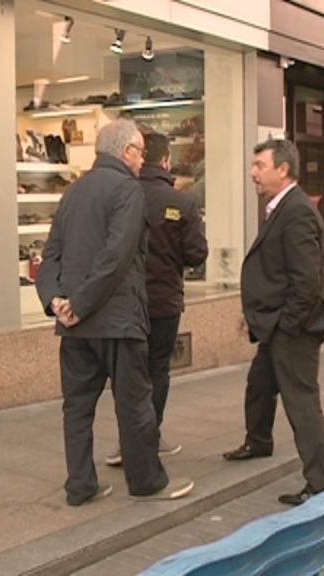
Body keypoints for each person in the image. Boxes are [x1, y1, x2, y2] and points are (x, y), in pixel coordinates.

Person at [35, 119, 194, 506]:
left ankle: (81, 486)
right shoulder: (127, 189)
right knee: (135, 404)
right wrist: (78, 304)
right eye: (140, 151)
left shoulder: (73, 192)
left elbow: (50, 254)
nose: (143, 160)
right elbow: (116, 257)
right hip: (117, 321)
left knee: (76, 409)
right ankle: (147, 482)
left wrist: (56, 300)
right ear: (126, 152)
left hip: (75, 327)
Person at [222, 138, 324, 506]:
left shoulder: (297, 211)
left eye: (259, 165)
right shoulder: (281, 208)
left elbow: (306, 281)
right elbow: (275, 273)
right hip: (276, 324)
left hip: (295, 329)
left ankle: (322, 483)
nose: (252, 173)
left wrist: (286, 325)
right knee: (260, 384)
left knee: (302, 403)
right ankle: (258, 442)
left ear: (283, 170)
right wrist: (257, 316)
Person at [106, 132, 208, 467]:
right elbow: (196, 254)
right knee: (158, 370)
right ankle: (149, 437)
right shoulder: (182, 202)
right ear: (165, 161)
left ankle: (127, 441)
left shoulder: (121, 195)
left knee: (128, 373)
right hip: (164, 302)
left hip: (125, 302)